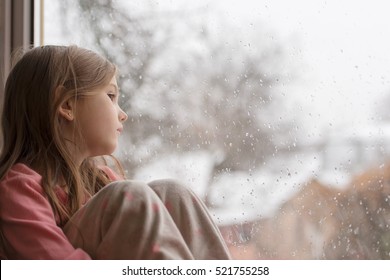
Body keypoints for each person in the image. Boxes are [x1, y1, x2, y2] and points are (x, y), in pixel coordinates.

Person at [0, 45, 231, 260]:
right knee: (129, 196)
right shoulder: (17, 189)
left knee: (174, 193)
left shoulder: (101, 180)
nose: (123, 114)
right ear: (67, 105)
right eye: (110, 96)